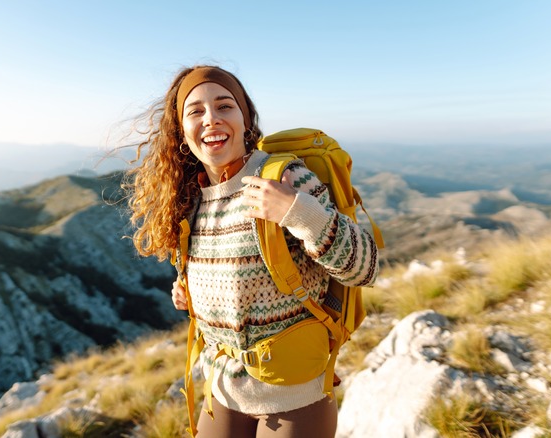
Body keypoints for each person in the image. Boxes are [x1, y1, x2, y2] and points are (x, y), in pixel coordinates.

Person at [125, 65, 379, 438]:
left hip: (293, 397)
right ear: (181, 131)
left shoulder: (284, 178)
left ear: (246, 119)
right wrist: (191, 293)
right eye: (195, 111)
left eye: (224, 106)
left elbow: (366, 267)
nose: (211, 119)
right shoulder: (191, 199)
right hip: (223, 390)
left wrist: (298, 212)